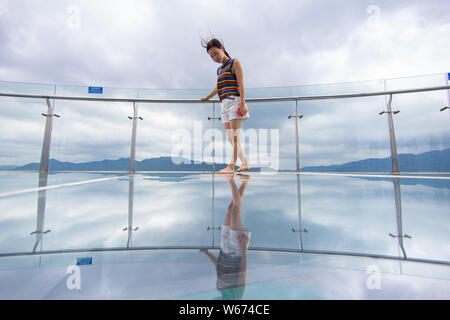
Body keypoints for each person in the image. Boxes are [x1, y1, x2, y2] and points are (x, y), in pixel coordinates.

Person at [201, 38, 251, 174]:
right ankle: (245, 163)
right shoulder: (219, 70)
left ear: (222, 48)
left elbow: (241, 85)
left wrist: (242, 104)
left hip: (235, 101)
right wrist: (207, 97)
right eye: (211, 56)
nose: (214, 58)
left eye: (216, 53)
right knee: (230, 137)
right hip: (224, 104)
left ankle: (231, 166)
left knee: (234, 136)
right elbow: (218, 87)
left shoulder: (235, 63)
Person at [200, 172, 251, 299]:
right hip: (235, 251)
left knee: (230, 209)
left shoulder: (221, 289)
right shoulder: (236, 297)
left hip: (224, 248)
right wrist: (244, 247)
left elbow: (219, 268)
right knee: (235, 210)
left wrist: (207, 254)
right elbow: (242, 274)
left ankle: (245, 183)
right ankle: (230, 179)